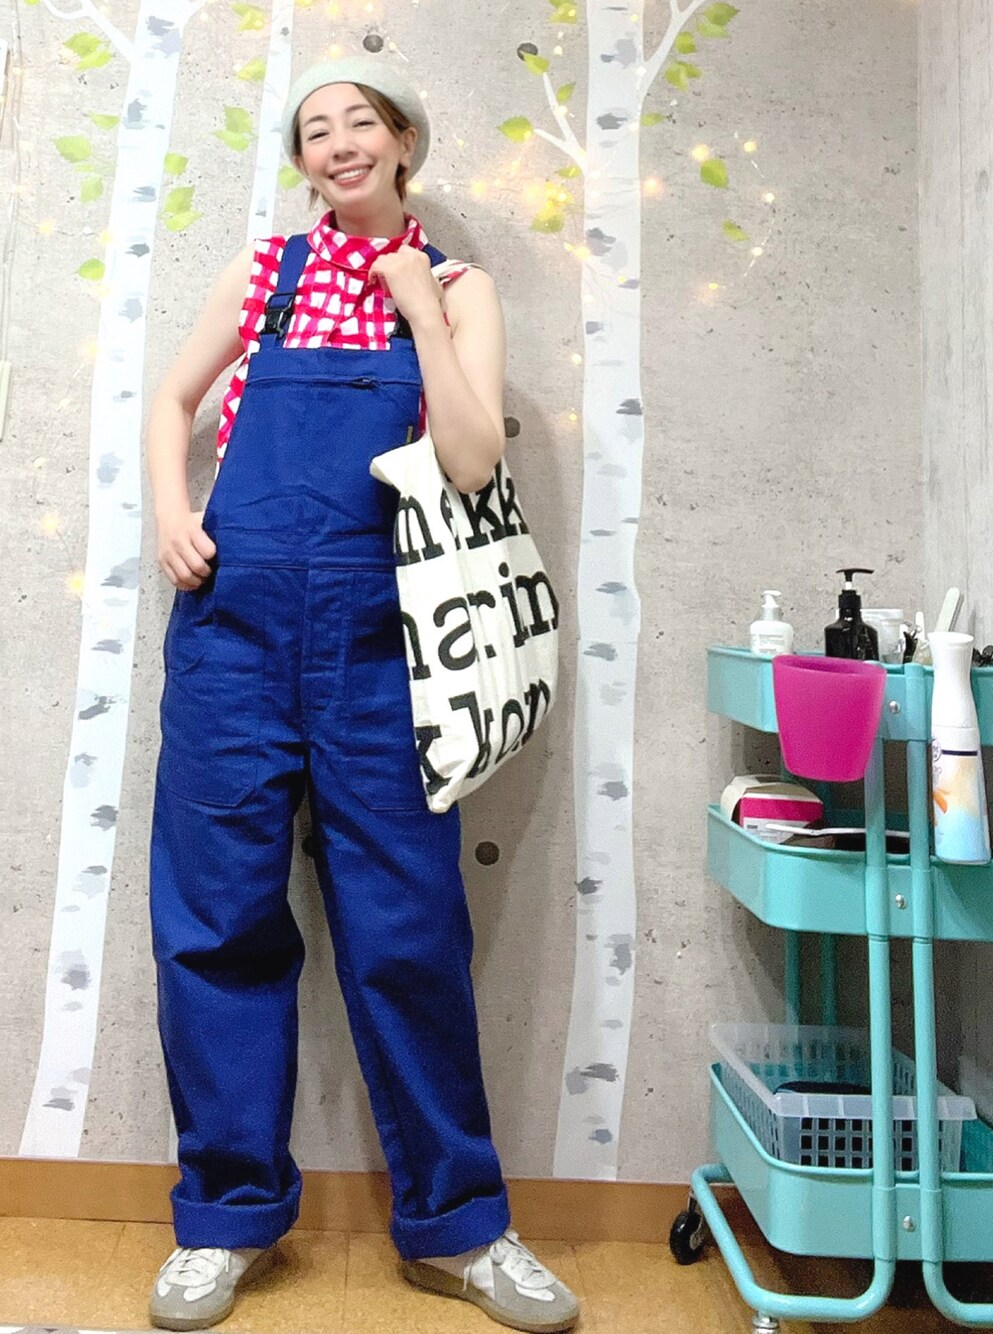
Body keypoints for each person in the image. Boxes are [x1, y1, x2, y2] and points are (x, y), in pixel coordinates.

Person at [144, 57, 580, 1334]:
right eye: (315, 130)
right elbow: (173, 397)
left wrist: (422, 316)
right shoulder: (268, 274)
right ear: (303, 163)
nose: (337, 142)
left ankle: (464, 1227)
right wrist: (172, 510)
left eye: (360, 123)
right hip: (233, 635)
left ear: (401, 144)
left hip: (388, 646)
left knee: (408, 931)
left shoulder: (456, 282)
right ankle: (223, 1219)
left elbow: (471, 457)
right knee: (215, 925)